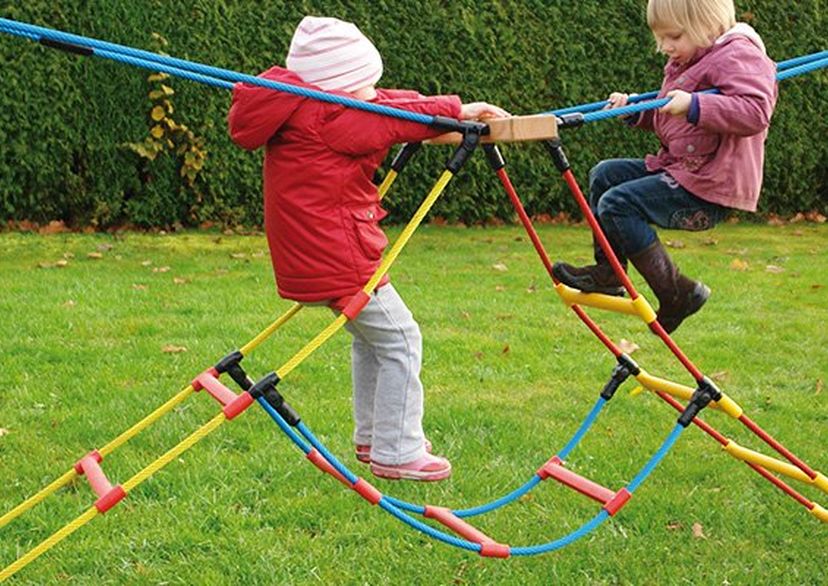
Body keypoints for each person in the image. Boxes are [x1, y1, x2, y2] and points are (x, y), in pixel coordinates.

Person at [227, 16, 509, 481]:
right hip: (337, 253)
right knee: (400, 339)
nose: (372, 91)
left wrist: (459, 107)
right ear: (340, 87)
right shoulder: (334, 118)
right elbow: (387, 115)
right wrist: (457, 111)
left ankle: (374, 435)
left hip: (311, 252)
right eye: (363, 84)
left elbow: (383, 103)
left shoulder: (302, 105)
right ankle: (397, 451)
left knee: (371, 340)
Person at [552, 0, 777, 333]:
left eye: (673, 36)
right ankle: (610, 271)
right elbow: (671, 115)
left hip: (709, 184)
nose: (665, 47)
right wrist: (635, 110)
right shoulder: (689, 60)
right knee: (604, 175)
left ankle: (677, 293)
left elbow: (755, 110)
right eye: (660, 38)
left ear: (708, 23)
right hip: (682, 169)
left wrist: (696, 104)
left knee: (618, 205)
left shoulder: (738, 55)